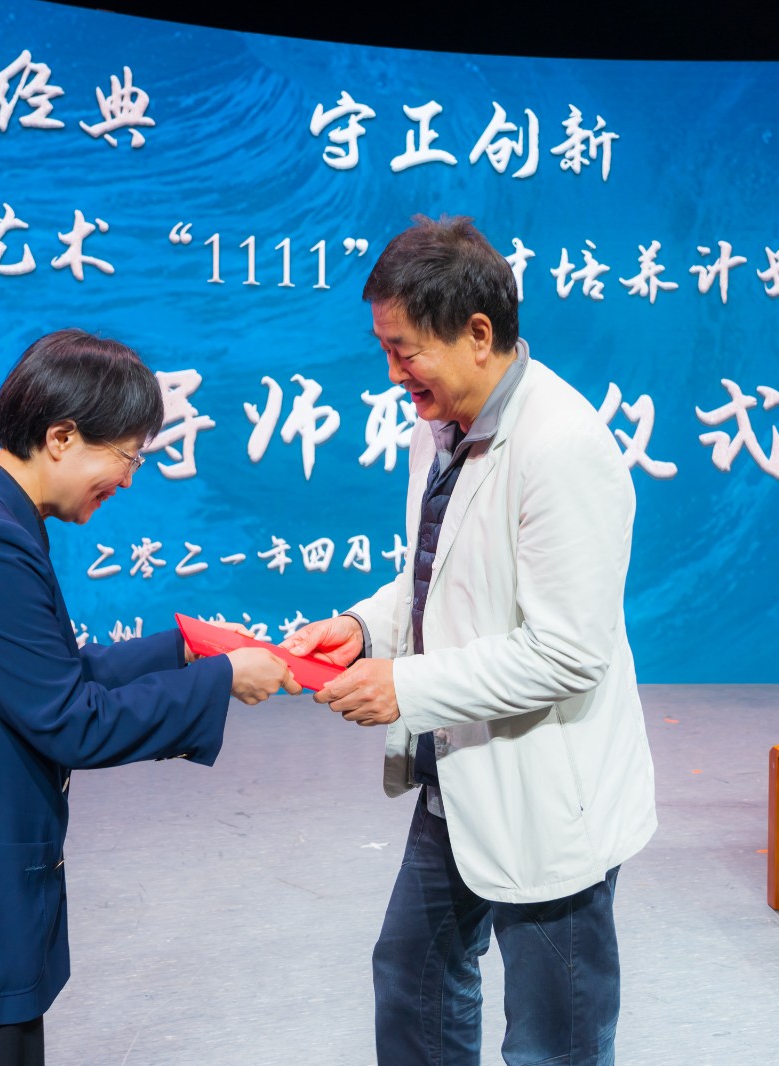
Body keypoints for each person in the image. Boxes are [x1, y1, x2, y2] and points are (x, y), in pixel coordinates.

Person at [0, 328, 298, 1066]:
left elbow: (49, 676)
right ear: (61, 438)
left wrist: (184, 649)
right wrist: (222, 681)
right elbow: (69, 720)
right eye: (128, 456)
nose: (129, 480)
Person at [282, 216, 656, 1066]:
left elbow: (567, 652)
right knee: (413, 977)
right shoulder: (444, 424)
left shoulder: (563, 448)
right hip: (458, 771)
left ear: (478, 334)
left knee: (554, 1038)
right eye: (384, 348)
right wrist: (364, 627)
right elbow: (444, 575)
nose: (391, 373)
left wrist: (404, 688)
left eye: (404, 350)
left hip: (546, 791)